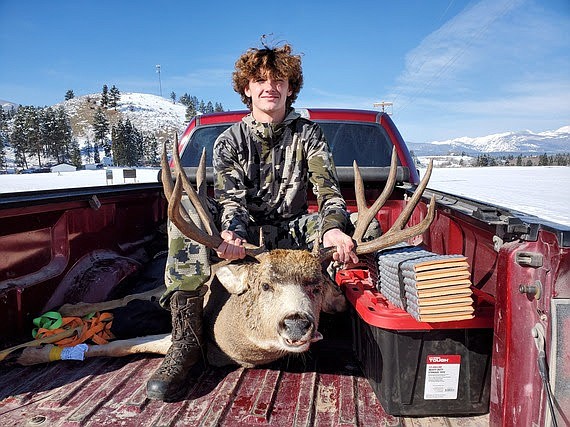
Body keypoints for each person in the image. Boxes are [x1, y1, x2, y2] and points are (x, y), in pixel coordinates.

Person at [146, 41, 359, 402]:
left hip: (293, 230)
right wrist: (232, 234)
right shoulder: (229, 141)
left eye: (280, 80)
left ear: (291, 88)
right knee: (185, 211)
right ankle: (186, 343)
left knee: (365, 229)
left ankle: (350, 327)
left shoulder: (310, 135)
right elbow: (232, 201)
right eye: (260, 80)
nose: (270, 87)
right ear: (247, 89)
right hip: (248, 236)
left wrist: (335, 226)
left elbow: (328, 192)